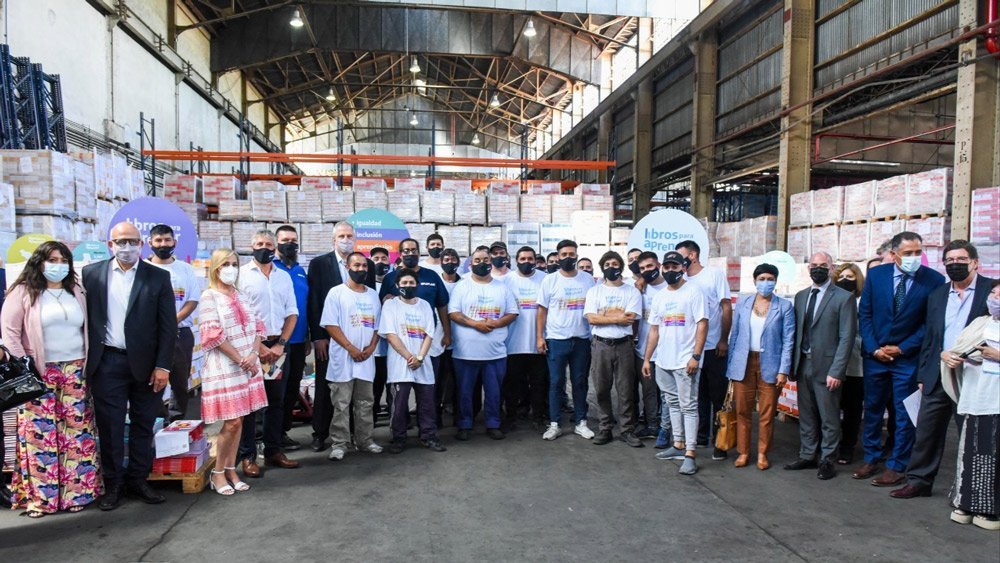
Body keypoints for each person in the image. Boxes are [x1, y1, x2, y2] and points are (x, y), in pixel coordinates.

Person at [82, 221, 176, 511]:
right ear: (110, 244)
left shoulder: (157, 277)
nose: (126, 247)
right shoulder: (91, 274)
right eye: (120, 241)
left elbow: (168, 326)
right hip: (107, 361)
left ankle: (138, 478)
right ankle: (113, 484)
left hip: (147, 365)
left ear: (141, 244)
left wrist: (163, 366)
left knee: (143, 423)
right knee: (109, 426)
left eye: (132, 241)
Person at [1, 242, 99, 517]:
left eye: (63, 260)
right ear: (39, 262)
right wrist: (26, 365)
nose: (58, 265)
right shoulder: (23, 292)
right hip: (39, 373)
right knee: (40, 437)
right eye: (52, 260)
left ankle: (77, 494)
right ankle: (42, 499)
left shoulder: (76, 291)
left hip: (75, 370)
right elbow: (9, 332)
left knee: (76, 433)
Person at [892, 240, 994, 499]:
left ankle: (969, 489)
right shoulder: (938, 294)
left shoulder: (991, 291)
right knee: (927, 431)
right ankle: (919, 481)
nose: (955, 264)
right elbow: (930, 337)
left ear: (975, 263)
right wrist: (923, 374)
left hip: (974, 374)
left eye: (961, 260)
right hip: (938, 372)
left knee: (971, 433)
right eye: (949, 261)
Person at [856, 232, 945, 485]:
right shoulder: (877, 275)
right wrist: (874, 348)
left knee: (904, 413)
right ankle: (871, 457)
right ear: (894, 254)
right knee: (873, 409)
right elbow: (865, 314)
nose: (914, 257)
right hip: (875, 357)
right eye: (908, 253)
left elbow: (930, 323)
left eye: (918, 252)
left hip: (907, 359)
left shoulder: (934, 280)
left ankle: (897, 464)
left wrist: (902, 348)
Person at [197, 249, 267, 496]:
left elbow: (258, 327)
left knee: (240, 421)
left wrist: (254, 354)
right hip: (226, 367)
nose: (231, 269)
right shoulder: (209, 296)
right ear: (216, 268)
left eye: (234, 264)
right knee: (232, 421)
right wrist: (240, 359)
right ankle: (217, 472)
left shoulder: (241, 294)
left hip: (249, 365)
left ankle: (230, 469)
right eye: (225, 264)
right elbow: (212, 334)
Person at [784, 252, 857, 480]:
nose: (818, 269)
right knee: (806, 414)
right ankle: (807, 454)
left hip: (827, 367)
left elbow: (847, 337)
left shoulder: (843, 298)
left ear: (831, 268)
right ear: (808, 268)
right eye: (814, 265)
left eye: (823, 265)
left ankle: (828, 459)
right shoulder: (801, 296)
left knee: (829, 416)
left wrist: (837, 370)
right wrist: (792, 365)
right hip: (803, 363)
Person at [306, 222, 376, 452]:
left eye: (350, 236)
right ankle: (321, 433)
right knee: (329, 389)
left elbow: (370, 303)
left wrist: (369, 344)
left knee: (361, 394)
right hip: (330, 339)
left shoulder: (367, 265)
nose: (346, 240)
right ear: (333, 240)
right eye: (342, 236)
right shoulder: (319, 264)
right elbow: (315, 300)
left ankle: (359, 436)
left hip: (361, 340)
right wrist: (318, 336)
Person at [236, 230, 300, 476]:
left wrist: (280, 344)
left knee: (276, 401)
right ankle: (248, 455)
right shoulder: (241, 275)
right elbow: (238, 316)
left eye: (268, 244)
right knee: (250, 404)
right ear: (251, 246)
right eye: (259, 244)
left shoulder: (283, 277)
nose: (264, 248)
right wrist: (258, 347)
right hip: (251, 348)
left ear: (275, 248)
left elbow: (292, 313)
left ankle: (273, 451)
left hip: (278, 348)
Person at [642, 251, 707, 475]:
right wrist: (648, 358)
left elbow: (702, 324)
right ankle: (678, 444)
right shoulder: (660, 296)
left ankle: (690, 453)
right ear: (662, 268)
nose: (671, 271)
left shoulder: (694, 291)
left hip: (685, 361)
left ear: (683, 268)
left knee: (689, 406)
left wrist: (696, 356)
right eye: (667, 267)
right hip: (664, 360)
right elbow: (654, 330)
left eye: (675, 267)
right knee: (672, 403)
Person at [725, 263, 794, 470]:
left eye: (770, 279)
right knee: (742, 410)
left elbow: (788, 340)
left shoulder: (784, 306)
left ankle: (763, 453)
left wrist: (783, 370)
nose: (766, 283)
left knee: (767, 412)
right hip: (743, 363)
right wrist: (731, 366)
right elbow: (735, 334)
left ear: (776, 281)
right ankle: (743, 452)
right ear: (755, 281)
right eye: (762, 279)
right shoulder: (744, 303)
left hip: (771, 365)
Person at [449, 247, 519, 440]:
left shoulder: (502, 287)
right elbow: (453, 313)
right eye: (477, 260)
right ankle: (465, 424)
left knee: (494, 392)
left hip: (495, 352)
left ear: (491, 262)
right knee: (465, 392)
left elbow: (512, 313)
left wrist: (496, 323)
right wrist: (475, 324)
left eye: (486, 260)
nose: (482, 263)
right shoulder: (461, 286)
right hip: (465, 352)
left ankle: (493, 423)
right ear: (470, 264)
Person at [947, 281, 1000, 530]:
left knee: (992, 453)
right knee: (970, 451)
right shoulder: (980, 323)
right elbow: (956, 347)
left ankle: (990, 509)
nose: (995, 298)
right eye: (993, 293)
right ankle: (966, 502)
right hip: (974, 396)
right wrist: (948, 356)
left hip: (996, 400)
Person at [321, 252, 383, 460]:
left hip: (366, 359)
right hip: (344, 358)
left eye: (364, 266)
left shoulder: (372, 295)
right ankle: (340, 443)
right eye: (356, 266)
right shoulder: (336, 293)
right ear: (348, 268)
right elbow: (330, 324)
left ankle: (365, 440)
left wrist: (371, 347)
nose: (361, 269)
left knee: (365, 402)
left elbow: (378, 325)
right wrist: (350, 348)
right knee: (341, 404)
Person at [675, 240, 733, 460]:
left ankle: (720, 441)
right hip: (691, 350)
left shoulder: (713, 275)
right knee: (697, 396)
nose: (678, 261)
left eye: (681, 255)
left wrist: (723, 339)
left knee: (718, 396)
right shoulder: (681, 280)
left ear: (692, 255)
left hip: (714, 347)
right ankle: (700, 437)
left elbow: (726, 307)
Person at [379, 269, 445, 453]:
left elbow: (429, 334)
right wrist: (410, 357)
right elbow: (390, 335)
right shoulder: (391, 305)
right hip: (400, 363)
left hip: (423, 362)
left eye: (411, 283)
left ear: (417, 285)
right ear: (397, 285)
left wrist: (420, 357)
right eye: (404, 283)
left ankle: (428, 436)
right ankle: (398, 438)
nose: (408, 286)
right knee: (399, 403)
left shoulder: (425, 305)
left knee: (427, 402)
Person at [537, 240, 597, 441]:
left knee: (580, 382)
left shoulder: (587, 280)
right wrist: (540, 337)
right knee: (556, 382)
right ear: (558, 256)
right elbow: (542, 311)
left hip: (581, 340)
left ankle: (581, 422)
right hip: (556, 340)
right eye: (564, 254)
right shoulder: (550, 280)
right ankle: (555, 424)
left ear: (577, 256)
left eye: (572, 254)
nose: (568, 258)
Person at [584, 251, 643, 447]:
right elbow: (592, 318)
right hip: (600, 345)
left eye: (615, 264)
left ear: (621, 267)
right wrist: (618, 318)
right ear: (602, 267)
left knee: (625, 390)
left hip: (624, 345)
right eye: (607, 264)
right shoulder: (594, 292)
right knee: (601, 389)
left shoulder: (632, 292)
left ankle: (627, 430)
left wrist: (604, 317)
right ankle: (605, 428)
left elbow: (630, 318)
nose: (611, 267)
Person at [147, 224, 200, 422]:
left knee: (180, 383)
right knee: (152, 381)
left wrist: (171, 322)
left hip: (181, 333)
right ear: (150, 243)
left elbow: (192, 300)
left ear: (174, 242)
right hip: (152, 334)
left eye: (167, 240)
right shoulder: (143, 269)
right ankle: (156, 423)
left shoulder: (185, 269)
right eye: (158, 240)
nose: (163, 244)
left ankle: (176, 425)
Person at [272, 225, 309, 451]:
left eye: (294, 241)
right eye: (285, 240)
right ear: (277, 242)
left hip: (298, 341)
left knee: (292, 388)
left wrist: (308, 337)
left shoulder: (299, 270)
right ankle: (269, 437)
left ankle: (283, 432)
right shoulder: (271, 269)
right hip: (277, 343)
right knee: (276, 391)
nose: (290, 244)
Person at [502, 246, 548, 429]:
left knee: (539, 384)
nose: (526, 262)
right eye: (523, 259)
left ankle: (538, 418)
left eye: (530, 259)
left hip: (538, 343)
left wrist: (542, 338)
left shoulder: (545, 279)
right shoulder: (506, 281)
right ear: (516, 261)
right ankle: (511, 417)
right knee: (512, 385)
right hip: (512, 343)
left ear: (535, 260)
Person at [833, 262, 865, 464]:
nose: (845, 281)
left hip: (856, 365)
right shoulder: (832, 300)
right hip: (834, 365)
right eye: (841, 277)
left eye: (850, 277)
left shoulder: (863, 303)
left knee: (852, 409)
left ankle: (847, 447)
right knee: (831, 408)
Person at [634, 252, 666, 444]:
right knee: (649, 392)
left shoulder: (671, 286)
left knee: (667, 394)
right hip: (644, 350)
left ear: (658, 265)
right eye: (643, 268)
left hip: (667, 351)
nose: (647, 270)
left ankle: (667, 428)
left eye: (650, 266)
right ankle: (652, 426)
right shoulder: (639, 288)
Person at [437, 248, 462, 425]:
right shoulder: (436, 282)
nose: (450, 262)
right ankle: (436, 415)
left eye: (453, 259)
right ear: (441, 262)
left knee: (458, 381)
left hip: (462, 340)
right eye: (446, 260)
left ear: (458, 262)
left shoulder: (465, 283)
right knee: (438, 380)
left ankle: (458, 417)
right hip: (439, 339)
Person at [370, 246, 392, 421]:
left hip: (392, 343)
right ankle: (373, 413)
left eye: (384, 258)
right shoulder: (366, 284)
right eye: (376, 259)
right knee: (375, 382)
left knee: (391, 382)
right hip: (373, 345)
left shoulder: (394, 282)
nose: (380, 262)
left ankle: (395, 415)